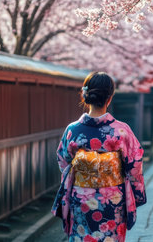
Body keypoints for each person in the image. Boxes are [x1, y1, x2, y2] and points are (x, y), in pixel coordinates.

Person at [52, 72, 146, 242]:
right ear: (109, 98)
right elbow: (134, 167)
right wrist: (136, 194)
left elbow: (64, 162)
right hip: (112, 200)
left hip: (81, 199)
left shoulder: (72, 130)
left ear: (85, 95)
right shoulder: (121, 131)